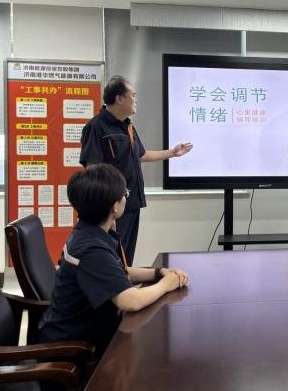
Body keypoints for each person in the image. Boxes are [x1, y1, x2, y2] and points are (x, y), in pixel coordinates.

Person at [39, 164, 189, 354]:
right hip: (73, 349)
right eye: (124, 194)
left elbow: (117, 271)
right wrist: (166, 285)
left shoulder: (88, 232)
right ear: (115, 206)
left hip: (84, 332)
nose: (126, 197)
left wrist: (158, 273)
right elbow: (130, 301)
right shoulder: (91, 250)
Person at [80, 76, 192, 264]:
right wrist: (107, 211)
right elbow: (93, 172)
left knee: (125, 257)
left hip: (130, 203)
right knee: (111, 258)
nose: (136, 100)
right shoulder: (96, 127)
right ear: (119, 99)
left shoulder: (128, 126)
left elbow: (141, 154)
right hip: (112, 207)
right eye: (133, 95)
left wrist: (172, 153)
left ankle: (123, 282)